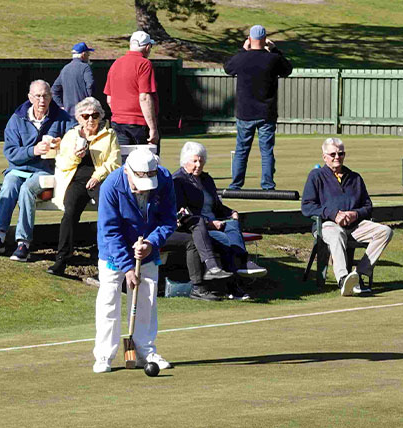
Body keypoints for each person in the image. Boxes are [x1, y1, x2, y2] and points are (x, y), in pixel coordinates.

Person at [93, 148, 175, 374]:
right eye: (139, 184)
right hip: (113, 250)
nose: (143, 190)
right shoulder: (111, 186)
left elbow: (168, 220)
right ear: (127, 171)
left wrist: (150, 243)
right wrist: (128, 267)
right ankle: (104, 355)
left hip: (147, 247)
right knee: (109, 300)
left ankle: (145, 351)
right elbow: (110, 231)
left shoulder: (164, 179)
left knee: (146, 298)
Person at [0, 80, 72, 260]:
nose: (42, 100)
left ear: (51, 96)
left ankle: (23, 243)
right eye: (38, 96)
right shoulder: (16, 119)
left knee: (26, 189)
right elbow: (11, 153)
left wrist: (62, 142)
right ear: (30, 97)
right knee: (9, 184)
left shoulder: (62, 117)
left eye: (45, 95)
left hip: (45, 171)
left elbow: (76, 135)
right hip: (18, 169)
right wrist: (33, 150)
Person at [172, 141, 267, 299]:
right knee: (226, 241)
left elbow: (216, 206)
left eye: (201, 160)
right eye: (194, 161)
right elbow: (184, 215)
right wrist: (209, 224)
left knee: (233, 224)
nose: (199, 164)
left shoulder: (207, 179)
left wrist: (231, 212)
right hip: (198, 228)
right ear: (185, 161)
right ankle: (234, 286)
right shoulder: (178, 181)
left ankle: (243, 263)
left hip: (217, 222)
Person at [301, 137, 393, 295]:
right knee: (336, 234)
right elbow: (307, 206)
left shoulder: (355, 177)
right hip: (327, 224)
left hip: (355, 225)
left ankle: (358, 275)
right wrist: (334, 214)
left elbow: (368, 206)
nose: (337, 157)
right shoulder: (316, 176)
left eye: (341, 153)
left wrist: (355, 214)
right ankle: (343, 279)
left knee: (385, 231)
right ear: (324, 157)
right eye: (333, 154)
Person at [47, 97, 120, 276]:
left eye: (94, 115)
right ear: (79, 118)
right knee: (70, 212)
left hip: (101, 180)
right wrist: (75, 156)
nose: (90, 120)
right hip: (77, 180)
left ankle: (108, 256)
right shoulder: (71, 136)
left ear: (100, 116)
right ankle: (62, 259)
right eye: (86, 116)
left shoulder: (109, 134)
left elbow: (115, 162)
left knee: (107, 210)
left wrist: (97, 176)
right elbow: (62, 163)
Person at [223, 25, 293, 191]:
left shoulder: (242, 58)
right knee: (266, 151)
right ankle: (268, 185)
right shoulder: (273, 59)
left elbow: (228, 68)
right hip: (266, 113)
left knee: (241, 150)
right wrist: (275, 50)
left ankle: (236, 185)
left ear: (249, 39)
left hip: (245, 113)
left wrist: (243, 50)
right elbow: (287, 69)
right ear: (265, 40)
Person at [104, 31, 159, 148]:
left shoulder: (116, 64)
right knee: (146, 158)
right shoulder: (144, 64)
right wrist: (153, 128)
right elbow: (144, 98)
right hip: (139, 124)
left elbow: (109, 99)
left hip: (118, 123)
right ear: (147, 47)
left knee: (123, 158)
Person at [51, 42, 96, 116]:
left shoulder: (65, 69)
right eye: (88, 54)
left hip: (68, 114)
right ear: (83, 54)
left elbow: (54, 90)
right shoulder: (85, 67)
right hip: (83, 113)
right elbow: (90, 85)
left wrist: (60, 106)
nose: (88, 57)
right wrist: (88, 102)